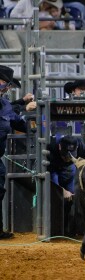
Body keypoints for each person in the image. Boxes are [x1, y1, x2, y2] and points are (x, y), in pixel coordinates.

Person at [0, 65, 29, 239]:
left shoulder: (4, 104)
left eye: (8, 84)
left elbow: (18, 122)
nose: (7, 87)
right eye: (5, 83)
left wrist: (33, 121)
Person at [46, 135, 85, 236]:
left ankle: (70, 229)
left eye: (71, 155)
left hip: (70, 169)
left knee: (71, 198)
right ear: (60, 147)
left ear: (76, 147)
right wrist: (61, 190)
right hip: (53, 169)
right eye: (65, 155)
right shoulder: (51, 146)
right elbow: (50, 172)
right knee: (56, 196)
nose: (68, 158)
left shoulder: (81, 146)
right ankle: (55, 231)